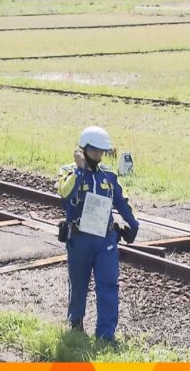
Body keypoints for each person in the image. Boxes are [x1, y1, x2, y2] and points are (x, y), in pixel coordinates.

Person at [55, 126, 139, 342]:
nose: (99, 156)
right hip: (80, 239)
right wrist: (81, 170)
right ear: (84, 150)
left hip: (105, 241)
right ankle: (76, 326)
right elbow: (66, 193)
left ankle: (106, 335)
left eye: (102, 152)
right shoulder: (68, 172)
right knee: (78, 284)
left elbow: (122, 200)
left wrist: (133, 224)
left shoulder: (109, 176)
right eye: (95, 152)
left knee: (109, 284)